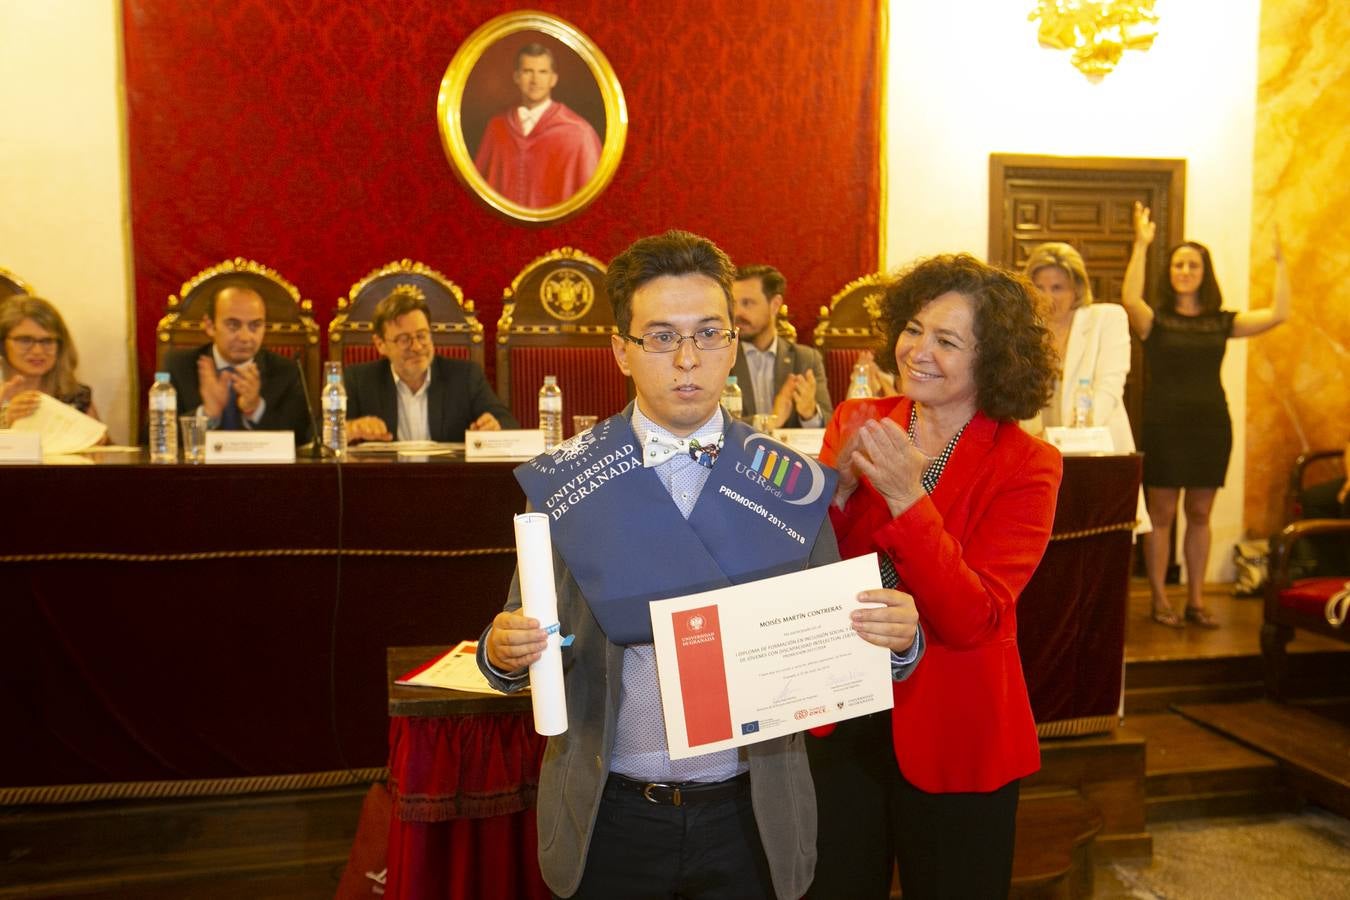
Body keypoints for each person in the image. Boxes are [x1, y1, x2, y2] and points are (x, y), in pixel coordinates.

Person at [476, 230, 921, 900]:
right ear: (622, 351)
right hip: (611, 813)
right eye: (660, 337)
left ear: (733, 346)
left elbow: (836, 641)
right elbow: (522, 634)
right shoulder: (573, 479)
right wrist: (502, 652)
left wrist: (897, 641)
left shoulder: (789, 484)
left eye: (709, 334)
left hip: (751, 813)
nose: (688, 359)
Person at [807, 253, 1062, 899]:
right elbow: (811, 571)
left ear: (994, 361)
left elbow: (973, 616)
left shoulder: (1028, 464)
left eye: (947, 340)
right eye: (914, 328)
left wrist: (903, 497)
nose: (917, 350)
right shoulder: (857, 423)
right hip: (844, 716)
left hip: (958, 731)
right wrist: (832, 499)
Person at [1122, 203, 1290, 628]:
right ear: (1170, 271)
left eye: (1192, 264)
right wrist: (1142, 245)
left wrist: (1282, 263)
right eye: (1178, 263)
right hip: (1164, 425)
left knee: (1200, 515)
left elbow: (1278, 315)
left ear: (1204, 271)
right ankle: (1160, 599)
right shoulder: (1154, 321)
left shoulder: (1221, 321)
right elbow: (1129, 298)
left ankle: (1195, 601)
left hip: (1211, 426)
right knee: (1160, 516)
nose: (1184, 270)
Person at [1023, 242, 1151, 533]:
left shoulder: (1105, 319)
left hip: (1092, 449)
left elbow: (1109, 387)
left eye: (1058, 287)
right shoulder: (1024, 329)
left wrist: (1067, 437)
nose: (1047, 296)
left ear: (1077, 289)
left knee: (1095, 543)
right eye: (1039, 286)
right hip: (1038, 453)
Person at [343, 286, 516, 442]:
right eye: (404, 340)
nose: (417, 347)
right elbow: (321, 434)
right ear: (380, 344)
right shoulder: (358, 381)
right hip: (384, 476)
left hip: (447, 476)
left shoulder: (465, 376)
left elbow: (508, 423)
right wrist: (350, 428)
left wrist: (495, 426)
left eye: (422, 336)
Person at [163, 284, 312, 443]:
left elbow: (301, 440)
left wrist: (256, 409)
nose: (245, 337)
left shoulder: (286, 372)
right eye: (233, 325)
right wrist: (206, 414)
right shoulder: (179, 366)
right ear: (210, 326)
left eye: (255, 325)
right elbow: (154, 440)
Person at [473, 42, 602, 208]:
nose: (535, 80)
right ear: (517, 77)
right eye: (528, 72)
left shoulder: (580, 133)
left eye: (542, 72)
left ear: (553, 79)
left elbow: (593, 204)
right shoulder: (496, 127)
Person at [729, 264, 833, 427]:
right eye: (734, 304)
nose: (737, 313)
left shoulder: (806, 359)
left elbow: (828, 424)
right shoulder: (723, 358)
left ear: (775, 305)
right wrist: (770, 421)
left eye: (747, 303)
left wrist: (810, 413)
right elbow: (713, 424)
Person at [0, 295, 105, 430]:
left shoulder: (74, 395)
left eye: (47, 341)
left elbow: (108, 448)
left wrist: (98, 440)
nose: (38, 350)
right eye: (25, 340)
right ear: (2, 344)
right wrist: (4, 421)